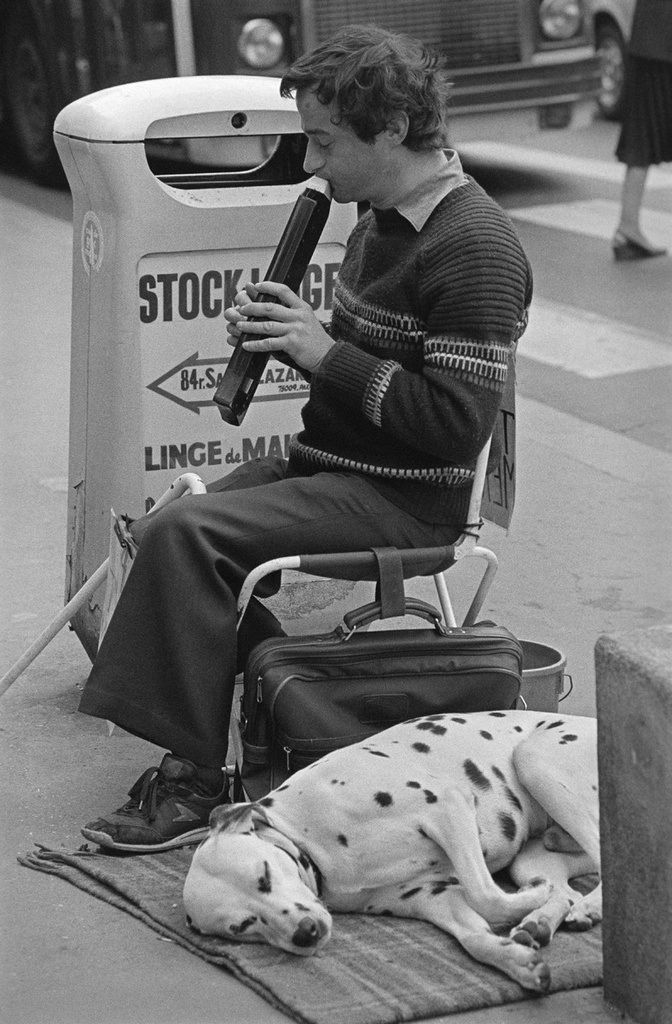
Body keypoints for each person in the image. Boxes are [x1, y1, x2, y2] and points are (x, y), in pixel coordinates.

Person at [78, 24, 533, 853]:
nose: (312, 165)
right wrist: (292, 335)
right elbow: (380, 357)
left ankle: (195, 779)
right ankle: (288, 703)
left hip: (406, 501)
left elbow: (454, 427)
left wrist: (323, 352)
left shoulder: (475, 246)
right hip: (335, 467)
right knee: (153, 531)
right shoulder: (380, 217)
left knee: (191, 536)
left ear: (392, 129)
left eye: (324, 142)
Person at [613, 0, 672, 260]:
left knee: (642, 134)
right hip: (661, 42)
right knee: (643, 135)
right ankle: (627, 228)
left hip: (647, 42)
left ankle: (627, 227)